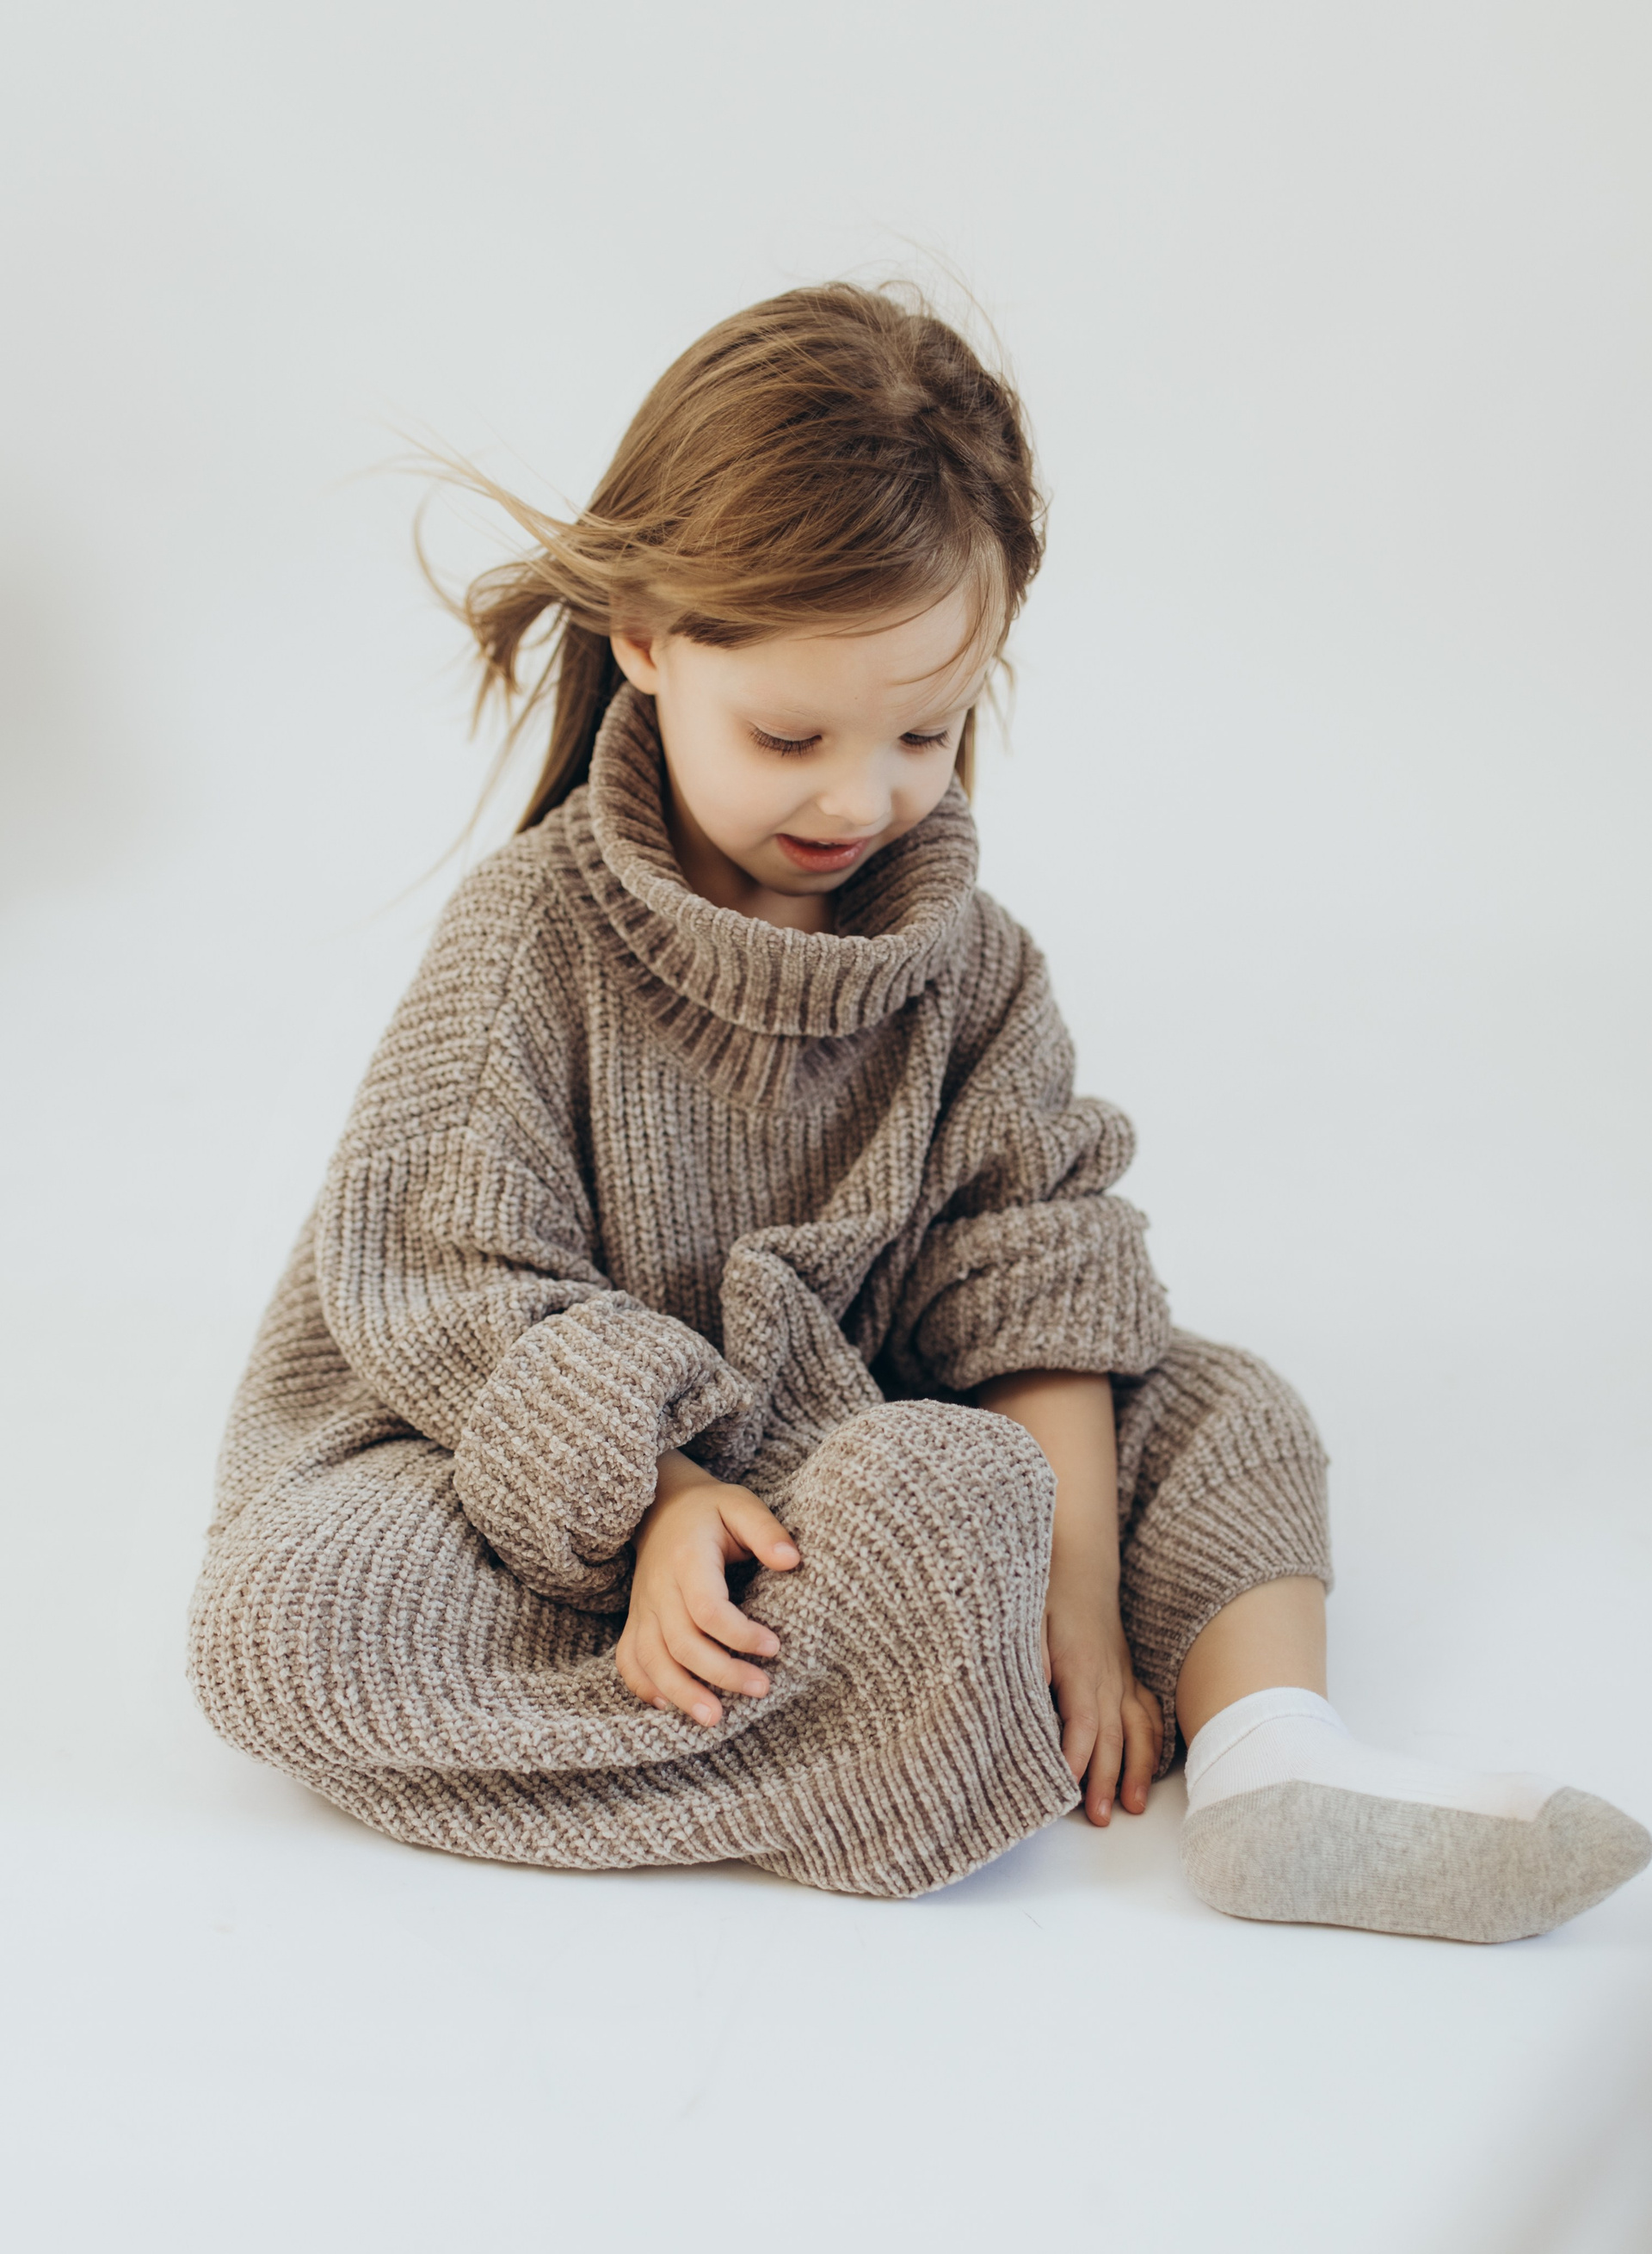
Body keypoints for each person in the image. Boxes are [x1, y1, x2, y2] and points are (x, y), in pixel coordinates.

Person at [189, 283, 1648, 1936]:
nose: (859, 795)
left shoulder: (973, 969)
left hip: (871, 1454)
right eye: (789, 734)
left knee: (1214, 1412)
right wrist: (657, 1499)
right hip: (562, 1479)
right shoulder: (530, 935)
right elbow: (441, 1278)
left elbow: (1033, 1274)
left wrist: (1076, 1600)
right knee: (289, 1612)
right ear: (648, 640)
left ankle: (1268, 1760)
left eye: (925, 733)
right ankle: (905, 1718)